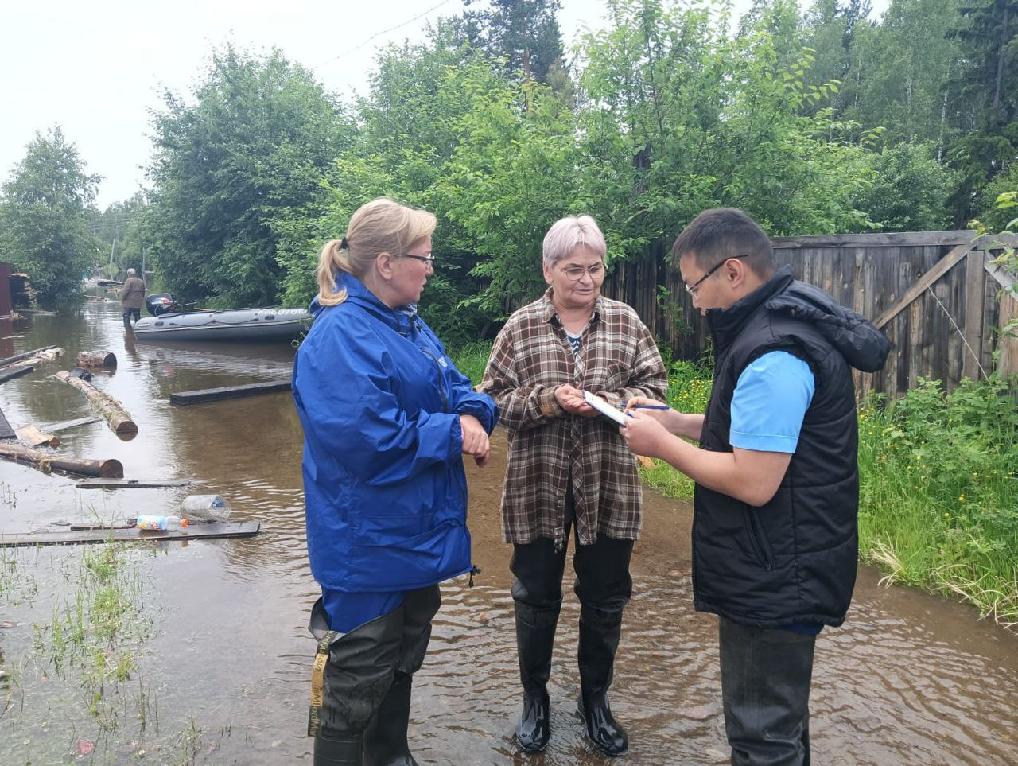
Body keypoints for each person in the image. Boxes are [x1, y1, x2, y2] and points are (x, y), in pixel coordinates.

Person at [621, 208, 890, 766]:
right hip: (784, 562)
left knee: (761, 738)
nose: (693, 301)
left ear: (734, 271)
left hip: (772, 575)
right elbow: (756, 436)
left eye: (695, 284)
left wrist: (659, 446)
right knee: (780, 727)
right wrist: (674, 421)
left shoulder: (773, 353)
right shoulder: (778, 326)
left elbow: (753, 480)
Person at [291, 198, 497, 766]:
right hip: (367, 545)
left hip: (417, 536)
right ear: (386, 262)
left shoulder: (406, 323)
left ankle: (392, 757)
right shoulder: (338, 337)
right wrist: (453, 433)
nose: (431, 268)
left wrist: (475, 415)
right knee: (356, 675)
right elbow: (369, 444)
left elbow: (456, 384)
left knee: (403, 654)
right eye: (424, 257)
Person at [480, 215, 667, 757]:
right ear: (548, 269)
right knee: (534, 595)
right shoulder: (520, 327)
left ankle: (595, 701)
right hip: (536, 484)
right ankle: (534, 701)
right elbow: (488, 400)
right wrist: (546, 401)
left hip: (608, 482)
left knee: (606, 598)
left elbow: (655, 388)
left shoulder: (627, 322)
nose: (587, 280)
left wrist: (625, 402)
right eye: (573, 270)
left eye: (595, 268)